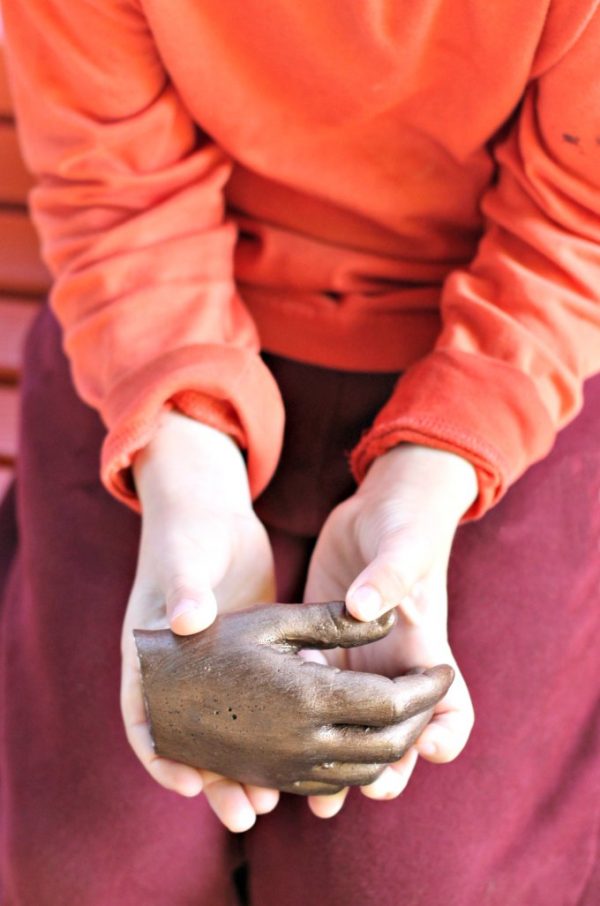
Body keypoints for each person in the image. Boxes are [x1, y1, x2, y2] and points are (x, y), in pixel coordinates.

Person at [1, 1, 599, 904]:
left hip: (507, 351)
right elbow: (116, 188)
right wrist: (186, 463)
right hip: (152, 320)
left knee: (413, 883)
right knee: (90, 870)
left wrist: (437, 469)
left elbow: (576, 219)